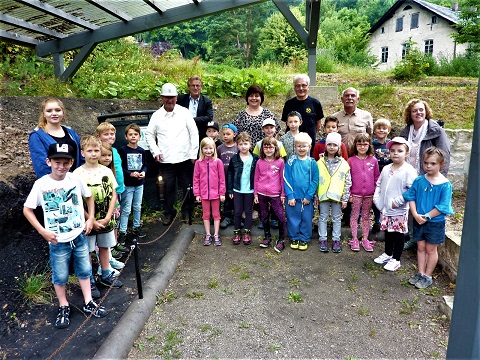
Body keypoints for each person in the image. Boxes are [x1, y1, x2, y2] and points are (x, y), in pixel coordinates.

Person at [23, 143, 108, 329]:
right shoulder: (41, 184)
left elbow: (89, 197)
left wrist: (90, 218)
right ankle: (63, 305)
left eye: (65, 162)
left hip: (78, 235)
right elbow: (27, 209)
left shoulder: (75, 180)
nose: (61, 166)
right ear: (49, 161)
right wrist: (42, 230)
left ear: (71, 163)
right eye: (57, 162)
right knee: (60, 275)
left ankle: (88, 301)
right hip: (57, 239)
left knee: (85, 269)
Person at [399, 99, 451, 250]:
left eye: (421, 110)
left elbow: (444, 154)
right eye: (414, 110)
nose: (418, 113)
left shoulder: (435, 130)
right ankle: (414, 237)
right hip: (410, 175)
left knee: (426, 206)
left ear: (426, 111)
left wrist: (438, 178)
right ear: (410, 113)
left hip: (428, 176)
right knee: (411, 206)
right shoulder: (406, 131)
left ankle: (424, 240)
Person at [145, 83, 199, 226]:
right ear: (162, 98)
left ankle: (187, 212)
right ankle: (169, 212)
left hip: (185, 158)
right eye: (166, 98)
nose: (170, 100)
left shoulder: (185, 112)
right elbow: (149, 135)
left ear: (176, 97)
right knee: (167, 187)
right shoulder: (156, 116)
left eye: (172, 97)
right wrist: (155, 151)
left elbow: (194, 133)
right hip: (166, 160)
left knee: (187, 186)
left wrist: (194, 153)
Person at [73, 136, 123, 289]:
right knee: (87, 250)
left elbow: (114, 193)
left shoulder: (106, 171)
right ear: (83, 153)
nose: (93, 154)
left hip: (105, 218)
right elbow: (76, 200)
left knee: (104, 246)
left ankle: (106, 273)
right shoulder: (77, 173)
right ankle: (89, 280)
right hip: (87, 220)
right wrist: (91, 220)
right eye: (90, 151)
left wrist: (108, 217)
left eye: (96, 151)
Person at [402, 147, 454, 288]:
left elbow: (443, 206)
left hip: (434, 222)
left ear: (441, 164)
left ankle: (428, 275)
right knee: (420, 247)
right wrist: (414, 214)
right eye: (426, 163)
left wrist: (426, 216)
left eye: (433, 163)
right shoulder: (419, 180)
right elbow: (411, 196)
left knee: (431, 249)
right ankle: (420, 272)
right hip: (419, 219)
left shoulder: (445, 185)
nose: (428, 166)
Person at [373, 137, 417, 271]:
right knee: (388, 232)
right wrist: (377, 199)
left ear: (407, 153)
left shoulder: (409, 171)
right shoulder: (386, 168)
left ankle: (396, 259)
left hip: (398, 210)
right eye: (392, 151)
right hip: (385, 209)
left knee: (398, 235)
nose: (395, 153)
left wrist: (397, 202)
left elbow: (412, 190)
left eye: (400, 151)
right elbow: (379, 184)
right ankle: (387, 253)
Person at [96, 122, 128, 255]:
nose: (110, 136)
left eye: (112, 134)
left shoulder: (114, 150)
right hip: (109, 191)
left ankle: (114, 243)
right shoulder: (101, 152)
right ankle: (109, 248)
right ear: (99, 136)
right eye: (106, 134)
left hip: (120, 188)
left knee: (117, 218)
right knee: (111, 218)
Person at [29, 98, 83, 178]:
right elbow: (41, 165)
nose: (54, 113)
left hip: (76, 181)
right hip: (54, 185)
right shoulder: (37, 136)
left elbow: (82, 156)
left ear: (63, 112)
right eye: (49, 111)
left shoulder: (71, 132)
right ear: (43, 114)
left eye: (57, 110)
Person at [316, 132, 351, 254]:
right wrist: (316, 196)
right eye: (329, 144)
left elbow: (348, 182)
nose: (331, 147)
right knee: (323, 217)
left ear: (339, 147)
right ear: (325, 146)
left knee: (336, 218)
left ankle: (336, 239)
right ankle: (323, 239)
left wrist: (345, 198)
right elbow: (315, 180)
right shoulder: (319, 163)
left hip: (338, 197)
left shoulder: (344, 164)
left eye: (334, 145)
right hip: (323, 196)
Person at [284, 132, 319, 251]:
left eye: (304, 146)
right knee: (293, 217)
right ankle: (294, 237)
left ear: (309, 147)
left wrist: (309, 196)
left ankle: (304, 238)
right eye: (298, 146)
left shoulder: (312, 162)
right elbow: (286, 178)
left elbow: (315, 180)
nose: (301, 148)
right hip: (293, 197)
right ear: (295, 147)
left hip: (306, 198)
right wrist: (290, 195)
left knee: (306, 218)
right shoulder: (291, 161)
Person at [348, 133, 380, 252]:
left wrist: (376, 192)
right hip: (355, 194)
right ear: (355, 145)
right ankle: (355, 238)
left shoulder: (373, 160)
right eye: (359, 144)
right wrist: (349, 194)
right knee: (355, 215)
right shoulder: (350, 160)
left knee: (366, 216)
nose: (362, 147)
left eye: (365, 144)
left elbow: (377, 177)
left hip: (369, 194)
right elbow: (347, 178)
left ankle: (365, 238)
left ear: (369, 145)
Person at [97, 141, 125, 276]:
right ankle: (102, 266)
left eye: (109, 155)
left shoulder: (109, 171)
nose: (107, 158)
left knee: (108, 237)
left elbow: (112, 192)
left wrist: (116, 208)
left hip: (111, 208)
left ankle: (109, 260)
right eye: (104, 155)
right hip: (100, 211)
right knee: (101, 241)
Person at [254, 138, 287, 252]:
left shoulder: (280, 162)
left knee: (281, 217)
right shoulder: (259, 161)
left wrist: (283, 194)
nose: (268, 149)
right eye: (265, 147)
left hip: (275, 194)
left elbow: (282, 179)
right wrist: (255, 194)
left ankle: (282, 240)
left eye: (271, 147)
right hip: (261, 193)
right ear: (262, 149)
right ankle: (267, 237)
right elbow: (256, 178)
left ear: (275, 148)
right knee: (264, 216)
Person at [227, 132, 259, 245]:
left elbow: (259, 175)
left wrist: (257, 191)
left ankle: (247, 232)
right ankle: (236, 232)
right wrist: (230, 189)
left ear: (250, 144)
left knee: (248, 211)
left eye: (245, 143)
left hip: (250, 190)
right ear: (237, 145)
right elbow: (230, 174)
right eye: (240, 144)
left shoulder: (256, 159)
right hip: (237, 189)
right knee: (237, 211)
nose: (243, 146)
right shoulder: (234, 158)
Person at [193, 137, 226, 246]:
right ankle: (208, 234)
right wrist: (197, 194)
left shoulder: (218, 162)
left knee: (216, 214)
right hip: (204, 194)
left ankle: (216, 234)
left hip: (216, 194)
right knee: (206, 214)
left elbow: (222, 179)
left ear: (214, 149)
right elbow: (196, 179)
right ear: (201, 149)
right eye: (205, 148)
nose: (208, 151)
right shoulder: (198, 163)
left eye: (211, 148)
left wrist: (222, 193)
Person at [281, 74, 324, 155]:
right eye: (298, 86)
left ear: (308, 87)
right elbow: (286, 122)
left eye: (304, 85)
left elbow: (318, 123)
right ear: (294, 88)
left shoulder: (315, 103)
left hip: (309, 142)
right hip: (292, 143)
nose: (301, 88)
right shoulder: (289, 103)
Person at [118, 124, 147, 240]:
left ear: (140, 136)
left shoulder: (142, 151)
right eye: (130, 134)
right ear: (126, 137)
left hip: (140, 183)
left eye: (135, 134)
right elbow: (120, 167)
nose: (133, 136)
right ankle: (122, 231)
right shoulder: (122, 150)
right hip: (128, 184)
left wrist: (143, 172)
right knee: (126, 208)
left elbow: (145, 165)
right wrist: (130, 173)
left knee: (137, 206)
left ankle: (136, 227)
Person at [333, 87, 373, 153]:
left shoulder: (366, 116)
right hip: (340, 156)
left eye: (353, 95)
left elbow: (369, 136)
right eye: (347, 95)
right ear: (342, 99)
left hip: (359, 155)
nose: (350, 98)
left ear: (358, 99)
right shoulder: (334, 117)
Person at [176, 75, 214, 143]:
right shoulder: (180, 99)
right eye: (193, 85)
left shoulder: (207, 101)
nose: (195, 88)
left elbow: (209, 117)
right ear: (189, 87)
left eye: (198, 85)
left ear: (201, 87)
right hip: (181, 133)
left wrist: (191, 120)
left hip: (200, 133)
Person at [371, 118, 392, 234]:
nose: (381, 130)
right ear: (374, 130)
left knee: (387, 196)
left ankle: (387, 220)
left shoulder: (390, 144)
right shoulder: (371, 145)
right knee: (376, 197)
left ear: (388, 130)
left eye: (384, 128)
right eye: (379, 128)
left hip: (388, 174)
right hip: (375, 174)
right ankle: (377, 220)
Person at [218, 124, 238, 229]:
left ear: (234, 134)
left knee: (235, 198)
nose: (225, 136)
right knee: (226, 198)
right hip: (223, 178)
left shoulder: (238, 147)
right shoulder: (220, 148)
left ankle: (236, 217)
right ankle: (227, 217)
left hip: (235, 178)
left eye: (228, 134)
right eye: (224, 134)